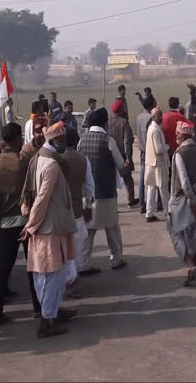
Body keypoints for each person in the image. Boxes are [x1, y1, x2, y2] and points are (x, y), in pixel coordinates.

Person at [20, 121, 78, 337]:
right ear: (54, 140)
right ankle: (47, 321)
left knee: (44, 275)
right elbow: (42, 198)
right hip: (49, 226)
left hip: (44, 225)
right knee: (52, 275)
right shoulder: (51, 165)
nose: (65, 144)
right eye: (62, 141)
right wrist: (31, 225)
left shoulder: (39, 158)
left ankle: (51, 313)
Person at [0, 122, 41, 326]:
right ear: (18, 139)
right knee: (34, 267)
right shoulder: (25, 162)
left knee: (0, 270)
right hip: (27, 222)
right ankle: (39, 308)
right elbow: (35, 192)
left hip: (3, 224)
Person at [78, 108, 129, 272]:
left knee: (89, 230)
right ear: (104, 122)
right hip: (106, 191)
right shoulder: (108, 140)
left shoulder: (82, 140)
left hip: (87, 193)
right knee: (112, 227)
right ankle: (116, 258)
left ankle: (84, 264)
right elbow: (120, 164)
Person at [168, 122, 196, 287]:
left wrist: (191, 197)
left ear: (182, 135)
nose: (175, 136)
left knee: (176, 233)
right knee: (195, 236)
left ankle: (191, 267)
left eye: (177, 133)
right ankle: (194, 266)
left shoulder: (179, 153)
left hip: (181, 200)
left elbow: (184, 183)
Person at [61, 126, 93, 298]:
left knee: (64, 251)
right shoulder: (83, 159)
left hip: (62, 213)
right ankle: (75, 281)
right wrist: (89, 207)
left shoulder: (57, 159)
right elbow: (89, 187)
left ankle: (67, 283)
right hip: (78, 212)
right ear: (77, 141)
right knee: (78, 249)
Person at [108, 100, 139, 209]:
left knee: (113, 181)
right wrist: (128, 157)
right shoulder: (124, 122)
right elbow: (127, 140)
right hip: (123, 155)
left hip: (111, 156)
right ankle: (131, 200)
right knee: (128, 179)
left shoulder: (108, 122)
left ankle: (114, 204)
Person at [144, 108, 168, 224]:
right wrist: (167, 147)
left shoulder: (152, 128)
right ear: (153, 117)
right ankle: (168, 212)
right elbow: (158, 149)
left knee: (151, 189)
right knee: (163, 188)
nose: (161, 118)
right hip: (157, 163)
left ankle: (149, 213)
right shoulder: (155, 130)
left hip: (150, 163)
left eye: (161, 115)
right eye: (159, 116)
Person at [136, 96, 154, 217]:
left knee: (142, 179)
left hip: (142, 150)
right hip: (150, 151)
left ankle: (142, 205)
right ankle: (155, 204)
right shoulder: (151, 118)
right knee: (154, 180)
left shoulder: (139, 117)